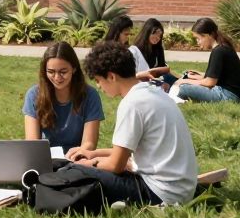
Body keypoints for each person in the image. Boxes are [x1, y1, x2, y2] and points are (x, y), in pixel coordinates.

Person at [64, 40, 198, 206]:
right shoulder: (153, 92)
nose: (99, 86)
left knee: (77, 172)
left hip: (161, 193)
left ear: (111, 76)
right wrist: (93, 153)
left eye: (98, 80)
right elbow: (125, 152)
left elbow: (116, 165)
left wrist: (89, 164)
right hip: (182, 190)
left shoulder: (132, 104)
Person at [22, 41, 104, 155]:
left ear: (74, 69)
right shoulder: (33, 95)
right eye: (51, 72)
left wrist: (75, 155)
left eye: (63, 72)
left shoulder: (90, 95)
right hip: (45, 157)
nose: (57, 77)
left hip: (77, 157)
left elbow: (89, 143)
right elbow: (32, 143)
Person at [172, 17, 240, 103]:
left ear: (209, 35)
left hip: (229, 95)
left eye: (198, 38)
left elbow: (210, 82)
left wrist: (184, 81)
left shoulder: (219, 51)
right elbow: (214, 76)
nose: (198, 42)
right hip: (234, 94)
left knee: (184, 88)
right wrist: (193, 76)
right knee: (186, 84)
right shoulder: (222, 47)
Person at [130, 18, 179, 86]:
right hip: (139, 84)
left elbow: (162, 66)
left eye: (159, 35)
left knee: (174, 80)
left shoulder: (158, 48)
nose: (157, 37)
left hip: (154, 82)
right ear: (147, 32)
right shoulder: (134, 51)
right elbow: (128, 76)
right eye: (155, 33)